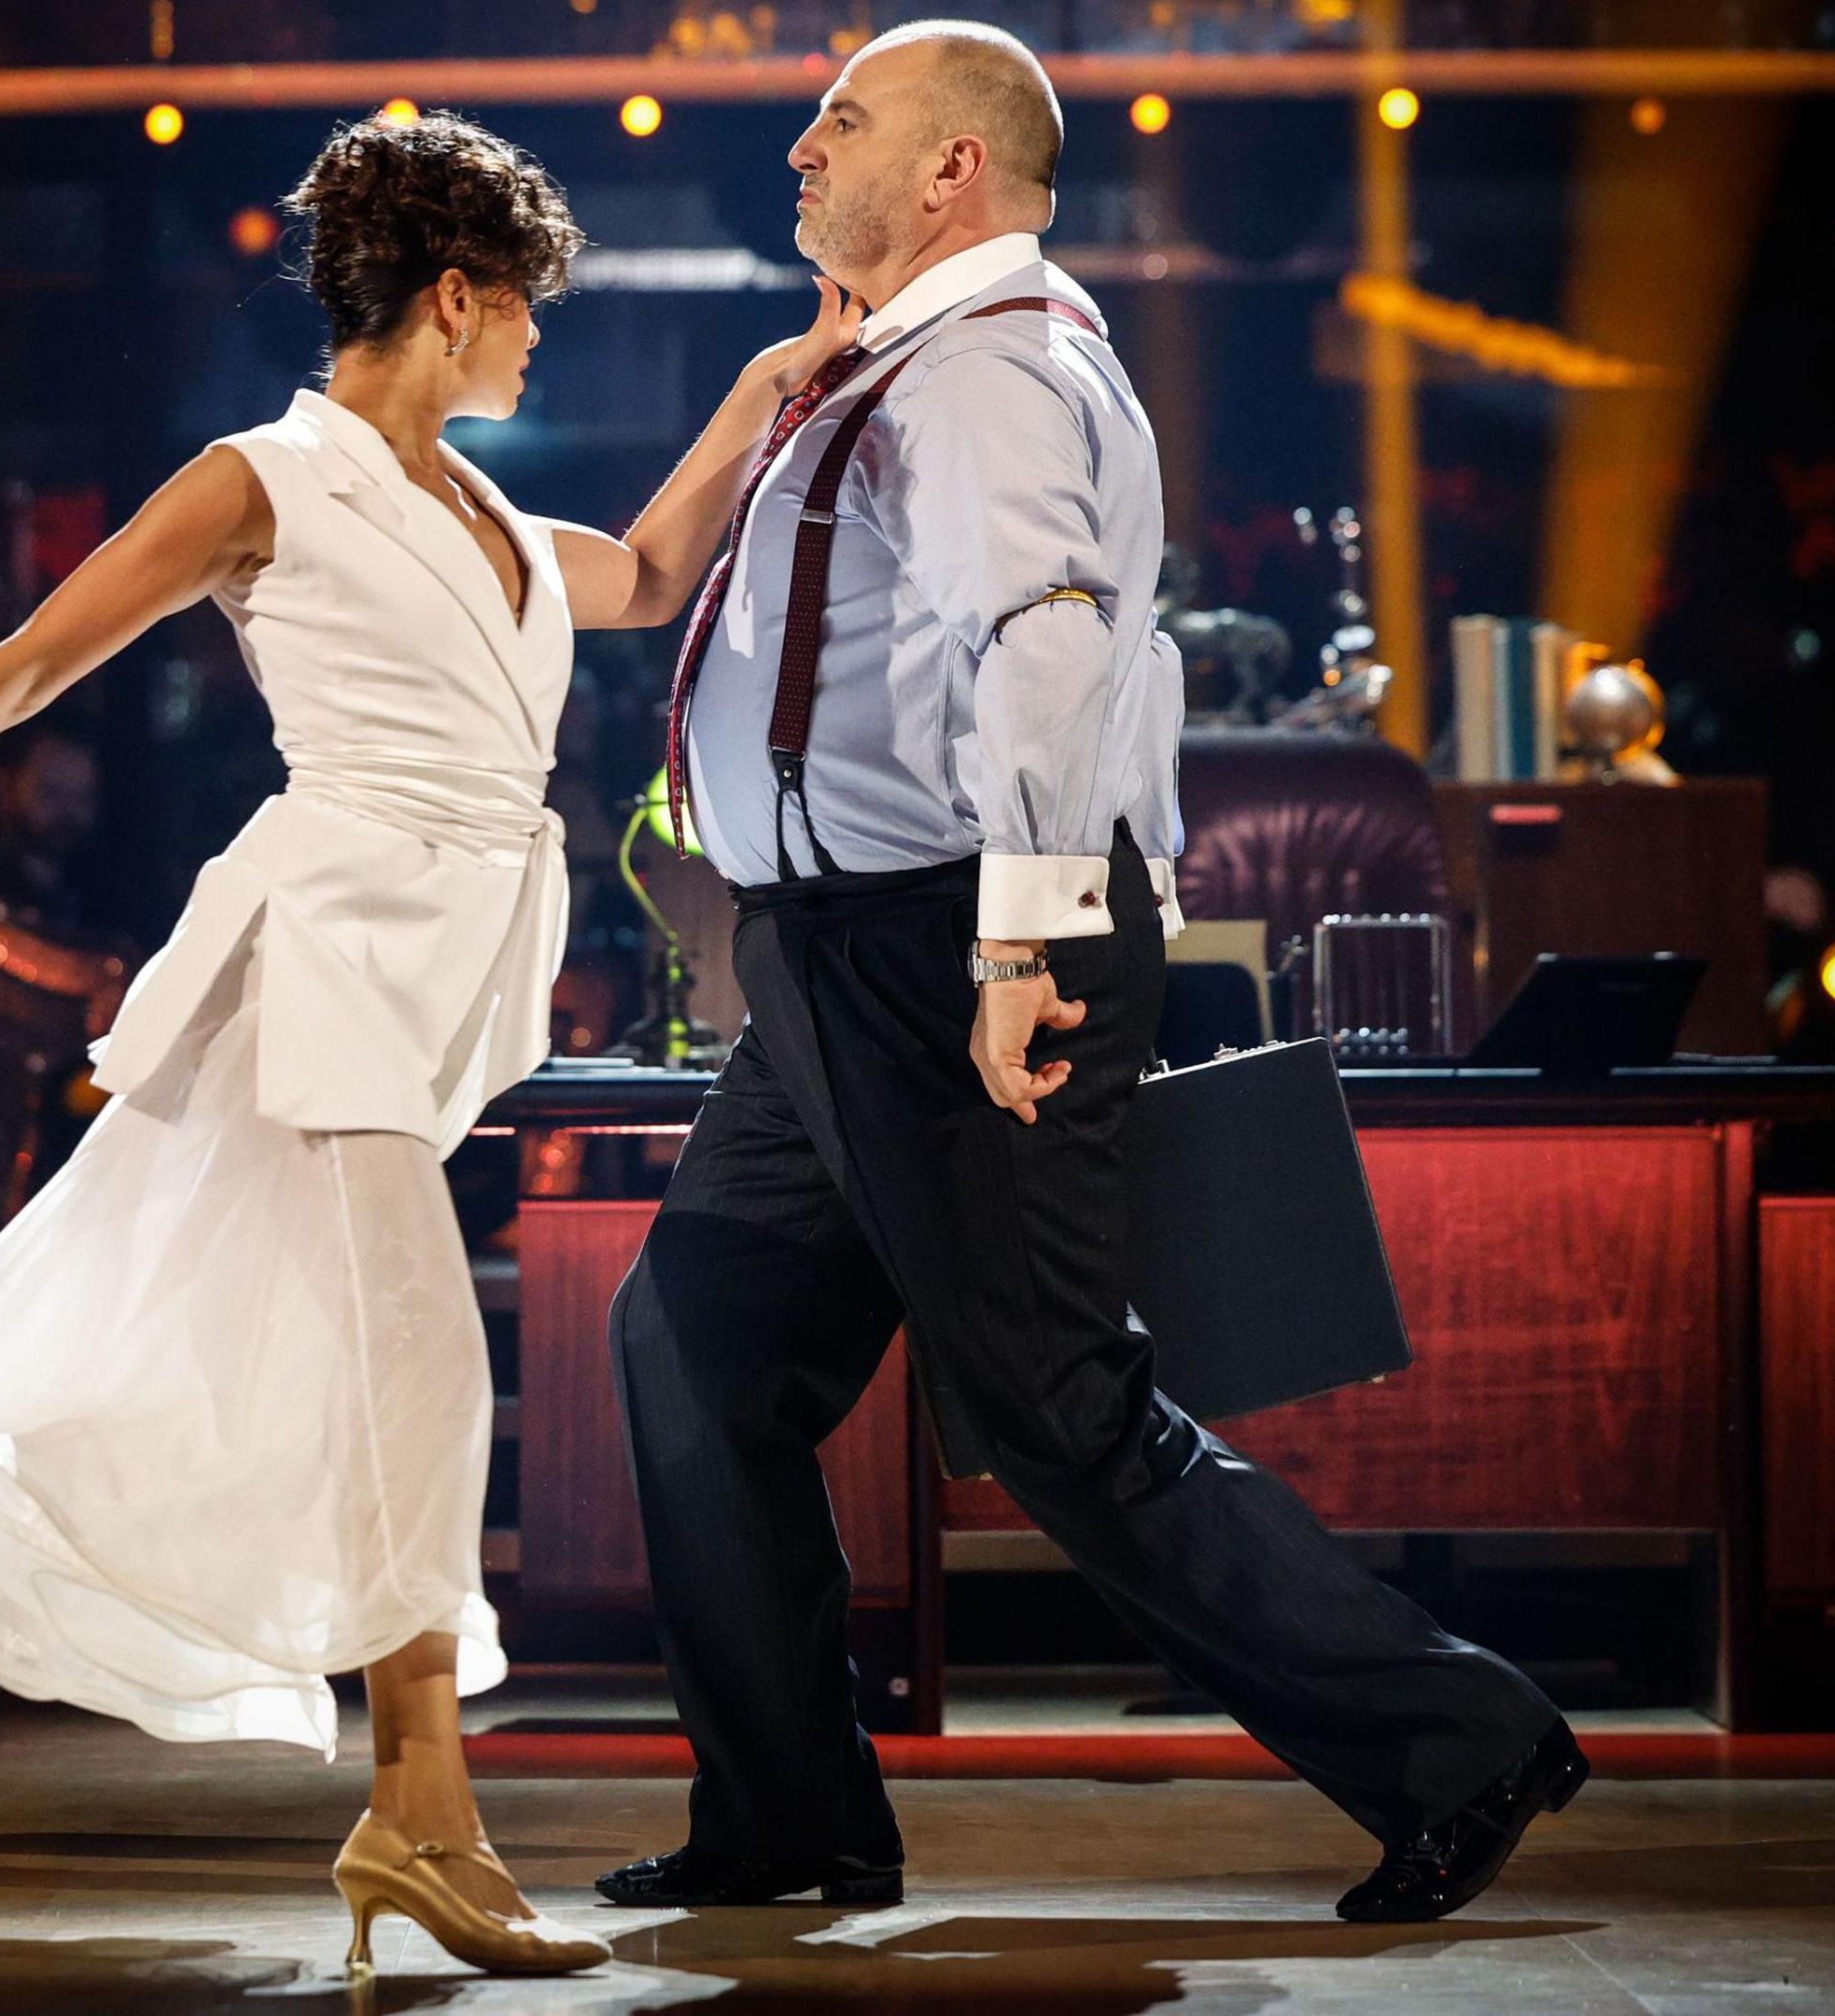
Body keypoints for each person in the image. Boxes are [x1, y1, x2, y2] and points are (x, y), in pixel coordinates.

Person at [0, 112, 865, 1975]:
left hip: (421, 986)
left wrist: (777, 380)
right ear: (454, 299)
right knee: (427, 1369)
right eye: (525, 313)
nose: (538, 346)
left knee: (155, 1410)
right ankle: (421, 1816)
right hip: (317, 975)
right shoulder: (264, 479)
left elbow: (659, 574)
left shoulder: (493, 516)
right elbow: (25, 664)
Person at [592, 22, 1589, 1927]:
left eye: (845, 120)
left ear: (954, 168)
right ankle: (788, 1814)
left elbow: (1040, 654)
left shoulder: (988, 374)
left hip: (956, 933)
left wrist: (1019, 943)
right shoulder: (875, 368)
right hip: (838, 954)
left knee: (1054, 1408)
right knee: (697, 1343)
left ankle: (1461, 1744)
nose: (803, 147)